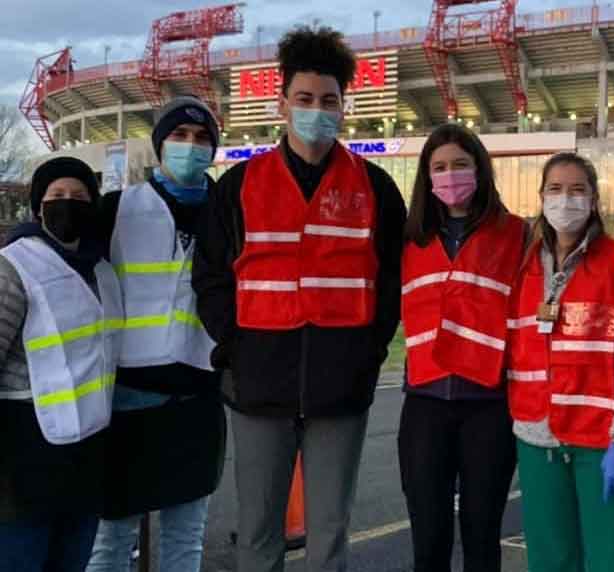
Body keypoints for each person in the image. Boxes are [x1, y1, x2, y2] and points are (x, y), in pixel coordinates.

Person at [192, 26, 406, 572]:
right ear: (281, 103)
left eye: (329, 101)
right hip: (259, 387)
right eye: (305, 99)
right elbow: (212, 278)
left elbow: (390, 284)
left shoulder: (376, 187)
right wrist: (237, 349)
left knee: (329, 535)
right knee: (258, 533)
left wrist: (366, 356)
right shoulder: (237, 186)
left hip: (342, 390)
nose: (317, 111)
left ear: (344, 106)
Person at [87, 96, 227, 572]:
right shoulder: (117, 210)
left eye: (202, 139)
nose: (191, 147)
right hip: (128, 397)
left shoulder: (229, 214)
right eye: (180, 136)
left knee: (184, 543)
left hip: (198, 397)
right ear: (160, 144)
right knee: (110, 542)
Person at [506, 153, 614, 572]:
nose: (564, 200)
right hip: (537, 440)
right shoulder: (523, 263)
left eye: (576, 190)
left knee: (608, 558)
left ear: (594, 200)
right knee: (550, 561)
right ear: (541, 197)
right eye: (555, 189)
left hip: (601, 441)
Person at [398, 124, 525, 572]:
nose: (450, 175)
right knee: (428, 541)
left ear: (480, 169)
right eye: (439, 167)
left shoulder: (516, 234)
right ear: (426, 177)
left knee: (482, 537)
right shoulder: (408, 238)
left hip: (488, 406)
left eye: (460, 164)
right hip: (425, 404)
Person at [0, 158, 122, 571]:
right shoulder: (14, 266)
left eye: (80, 197)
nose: (68, 205)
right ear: (38, 207)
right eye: (57, 197)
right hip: (23, 460)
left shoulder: (103, 271)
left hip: (86, 458)